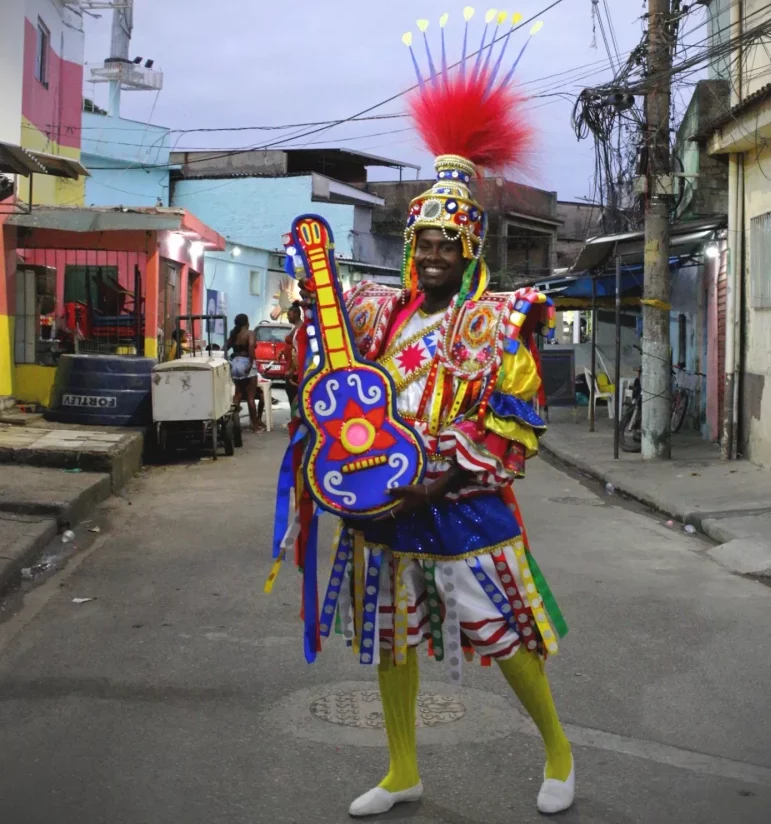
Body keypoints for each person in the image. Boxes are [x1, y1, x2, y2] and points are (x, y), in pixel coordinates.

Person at [270, 24, 574, 819]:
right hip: (380, 509)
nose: (434, 255)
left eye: (448, 243)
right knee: (390, 640)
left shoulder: (498, 321)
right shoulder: (379, 315)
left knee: (504, 639)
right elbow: (326, 369)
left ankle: (557, 749)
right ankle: (402, 769)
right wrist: (312, 293)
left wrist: (438, 476)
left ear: (469, 248)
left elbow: (515, 426)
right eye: (424, 242)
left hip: (462, 508)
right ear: (409, 247)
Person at [226, 313, 264, 433]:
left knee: (237, 394)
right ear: (247, 323)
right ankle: (256, 426)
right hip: (246, 363)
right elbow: (251, 347)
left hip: (235, 363)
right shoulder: (249, 333)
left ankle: (234, 423)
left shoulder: (233, 334)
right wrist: (250, 364)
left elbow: (224, 348)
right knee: (250, 397)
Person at [283, 301, 303, 413]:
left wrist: (293, 368)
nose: (287, 317)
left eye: (289, 315)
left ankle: (295, 416)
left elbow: (298, 349)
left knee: (292, 392)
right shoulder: (295, 327)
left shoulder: (300, 328)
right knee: (290, 391)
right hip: (290, 364)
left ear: (295, 314)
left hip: (294, 366)